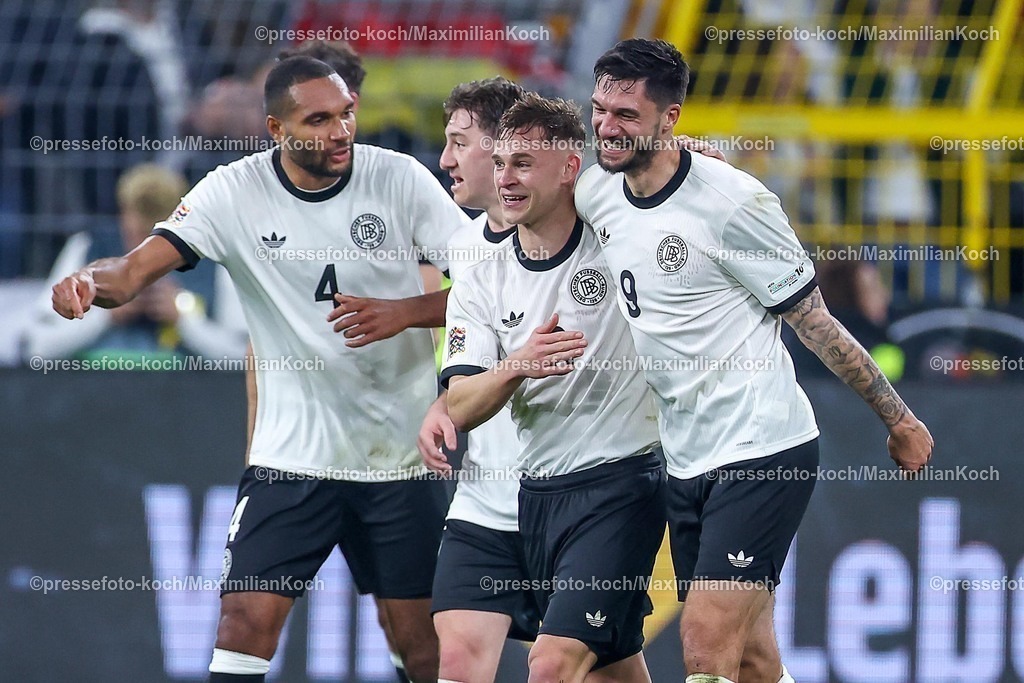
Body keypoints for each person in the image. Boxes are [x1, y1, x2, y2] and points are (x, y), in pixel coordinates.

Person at [51, 55, 470, 683]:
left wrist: (405, 312)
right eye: (319, 120)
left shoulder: (399, 179)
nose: (340, 132)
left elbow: (490, 289)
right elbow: (133, 271)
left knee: (423, 648)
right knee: (242, 623)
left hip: (399, 458)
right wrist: (89, 281)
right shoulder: (232, 192)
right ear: (277, 129)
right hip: (292, 458)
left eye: (347, 114)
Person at [574, 39, 935, 683]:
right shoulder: (595, 189)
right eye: (599, 109)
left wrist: (898, 418)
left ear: (670, 117)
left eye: (626, 114)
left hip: (762, 447)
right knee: (755, 662)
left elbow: (815, 323)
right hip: (685, 456)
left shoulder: (735, 202)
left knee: (705, 646)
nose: (607, 126)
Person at [443, 93, 664, 683]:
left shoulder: (616, 234)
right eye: (501, 163)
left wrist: (690, 157)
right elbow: (459, 405)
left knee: (550, 663)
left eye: (524, 163)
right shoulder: (480, 280)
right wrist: (517, 364)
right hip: (538, 495)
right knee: (611, 671)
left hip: (622, 484)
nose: (506, 179)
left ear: (570, 167)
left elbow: (664, 179)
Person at [23, 164, 247, 362]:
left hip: (184, 393)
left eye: (161, 239)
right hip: (92, 392)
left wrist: (183, 322)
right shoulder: (87, 248)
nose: (145, 248)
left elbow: (243, 357)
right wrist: (106, 316)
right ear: (123, 217)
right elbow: (38, 348)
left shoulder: (212, 260)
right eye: (139, 233)